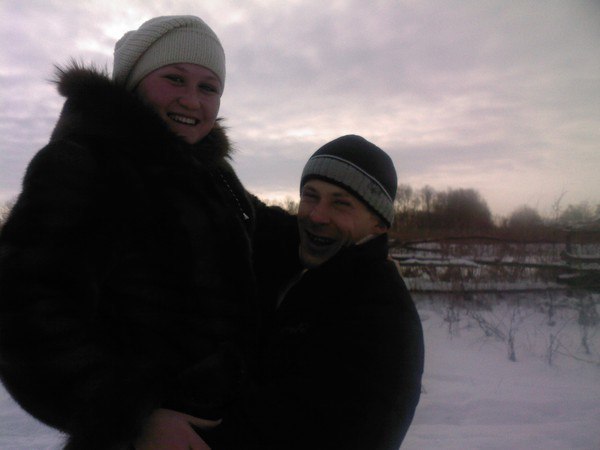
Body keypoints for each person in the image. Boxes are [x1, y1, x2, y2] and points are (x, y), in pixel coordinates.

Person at [0, 15, 297, 450]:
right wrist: (134, 420)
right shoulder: (86, 164)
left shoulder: (209, 174)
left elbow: (266, 232)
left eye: (208, 87)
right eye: (174, 78)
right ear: (135, 80)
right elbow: (24, 314)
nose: (191, 100)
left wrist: (350, 225)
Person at [217, 135, 425, 449]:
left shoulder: (381, 319)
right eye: (310, 196)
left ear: (379, 224)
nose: (316, 215)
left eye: (341, 203)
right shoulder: (300, 252)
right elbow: (244, 210)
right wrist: (200, 145)